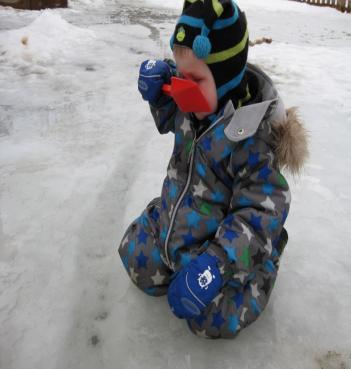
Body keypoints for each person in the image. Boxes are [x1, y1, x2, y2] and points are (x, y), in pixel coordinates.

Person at [118, 0, 308, 339]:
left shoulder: (252, 138)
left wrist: (216, 264)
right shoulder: (193, 102)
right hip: (177, 221)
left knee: (211, 319)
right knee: (136, 259)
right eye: (178, 75)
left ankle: (261, 269)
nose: (181, 87)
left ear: (225, 80)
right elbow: (169, 115)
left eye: (192, 79)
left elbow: (261, 211)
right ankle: (169, 237)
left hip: (218, 246)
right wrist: (159, 91)